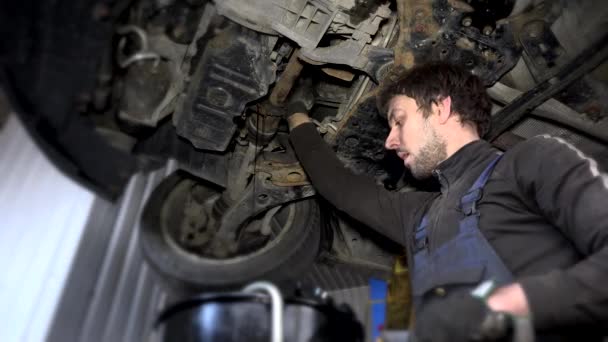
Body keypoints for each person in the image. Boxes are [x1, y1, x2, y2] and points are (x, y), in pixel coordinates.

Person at [284, 63, 608, 341]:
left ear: (440, 108)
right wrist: (294, 110)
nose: (389, 140)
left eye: (399, 120)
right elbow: (339, 187)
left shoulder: (530, 160)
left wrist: (511, 305)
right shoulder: (420, 216)